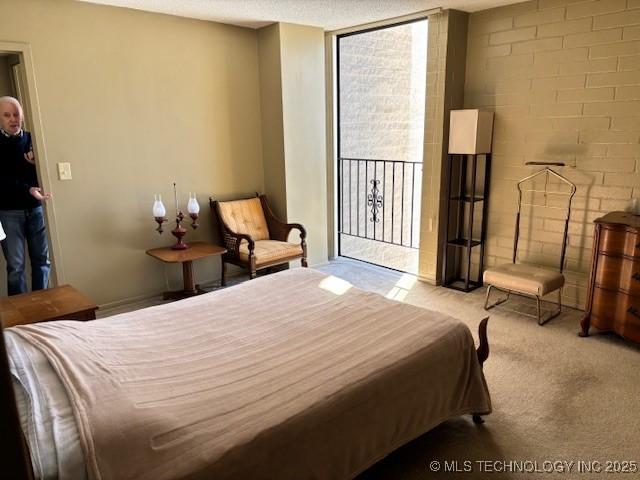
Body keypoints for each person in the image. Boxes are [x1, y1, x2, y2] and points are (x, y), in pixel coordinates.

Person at [0, 96, 52, 295]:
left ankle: (41, 308)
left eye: (16, 115)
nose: (13, 119)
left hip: (36, 209)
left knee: (42, 262)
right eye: (7, 115)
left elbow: (46, 174)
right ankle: (21, 318)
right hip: (8, 212)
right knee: (16, 267)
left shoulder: (33, 140)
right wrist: (27, 189)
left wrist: (36, 165)